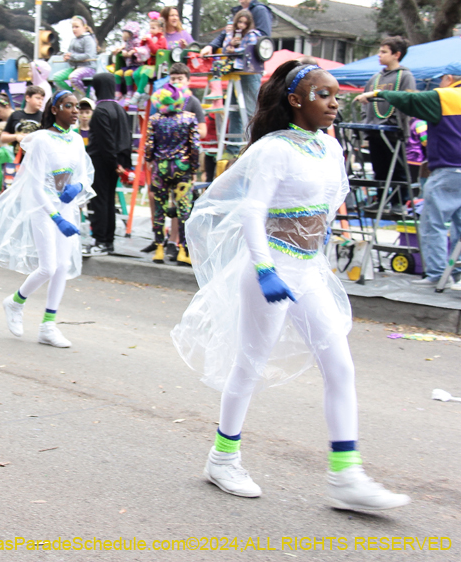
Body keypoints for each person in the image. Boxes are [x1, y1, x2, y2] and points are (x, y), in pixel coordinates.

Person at [171, 62, 410, 512]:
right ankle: (223, 458)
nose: (335, 103)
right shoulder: (274, 150)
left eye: (336, 95)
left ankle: (346, 476)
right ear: (296, 100)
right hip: (270, 271)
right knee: (249, 365)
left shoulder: (329, 147)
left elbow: (325, 204)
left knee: (340, 366)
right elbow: (250, 211)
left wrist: (320, 251)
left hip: (306, 270)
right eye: (324, 95)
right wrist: (264, 269)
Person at [0, 90, 95, 347]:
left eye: (77, 107)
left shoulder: (77, 140)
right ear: (54, 110)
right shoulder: (41, 140)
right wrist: (56, 217)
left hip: (66, 206)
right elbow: (35, 186)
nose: (74, 111)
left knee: (62, 267)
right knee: (48, 267)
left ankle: (48, 326)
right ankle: (15, 302)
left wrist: (78, 187)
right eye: (68, 106)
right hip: (44, 208)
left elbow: (84, 174)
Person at [356, 69, 461, 287]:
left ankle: (438, 274)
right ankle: (456, 272)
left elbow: (408, 98)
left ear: (449, 79)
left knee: (434, 224)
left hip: (448, 170)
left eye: (441, 79)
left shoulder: (445, 96)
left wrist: (377, 94)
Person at [201, 0, 273, 151]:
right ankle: (233, 150)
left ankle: (257, 146)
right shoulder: (236, 13)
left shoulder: (260, 10)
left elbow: (263, 38)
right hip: (234, 67)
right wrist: (211, 46)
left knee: (250, 109)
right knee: (235, 111)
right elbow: (224, 36)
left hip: (249, 66)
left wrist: (240, 42)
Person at [144, 84, 200, 265]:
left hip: (160, 169)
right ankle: (183, 250)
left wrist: (150, 159)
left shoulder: (155, 120)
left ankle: (159, 248)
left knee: (159, 209)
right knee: (184, 210)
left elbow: (149, 147)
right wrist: (194, 168)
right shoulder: (189, 118)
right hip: (182, 169)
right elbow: (195, 147)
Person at [360, 36, 417, 215]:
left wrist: (400, 123)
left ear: (396, 55)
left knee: (398, 168)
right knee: (379, 169)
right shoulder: (375, 78)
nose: (379, 55)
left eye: (384, 52)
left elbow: (409, 101)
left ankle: (399, 202)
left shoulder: (405, 76)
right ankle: (380, 200)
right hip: (375, 130)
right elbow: (364, 101)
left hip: (394, 131)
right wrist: (365, 122)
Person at [84, 74, 130, 256]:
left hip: (101, 162)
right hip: (115, 163)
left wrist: (112, 161)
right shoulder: (120, 109)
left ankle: (100, 240)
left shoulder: (101, 111)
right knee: (109, 200)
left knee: (99, 201)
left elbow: (105, 141)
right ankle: (107, 241)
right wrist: (121, 164)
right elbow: (125, 139)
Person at [50, 16, 98, 97]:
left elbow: (88, 55)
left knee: (73, 77)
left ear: (84, 28)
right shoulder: (73, 40)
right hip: (75, 68)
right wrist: (66, 57)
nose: (74, 29)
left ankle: (87, 96)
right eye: (73, 27)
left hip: (89, 68)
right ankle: (73, 94)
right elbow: (70, 54)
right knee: (57, 77)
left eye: (77, 27)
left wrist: (72, 56)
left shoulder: (88, 39)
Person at [110, 21, 149, 104]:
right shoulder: (127, 43)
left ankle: (130, 92)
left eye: (125, 33)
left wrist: (132, 53)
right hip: (128, 66)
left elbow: (140, 52)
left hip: (136, 66)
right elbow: (124, 49)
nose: (123, 35)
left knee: (128, 74)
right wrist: (122, 52)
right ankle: (118, 92)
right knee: (117, 74)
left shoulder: (137, 42)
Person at [0, 86, 45, 151]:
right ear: (27, 98)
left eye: (42, 99)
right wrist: (16, 136)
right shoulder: (15, 115)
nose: (40, 102)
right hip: (19, 157)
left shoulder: (44, 116)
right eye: (38, 98)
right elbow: (3, 137)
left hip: (37, 156)